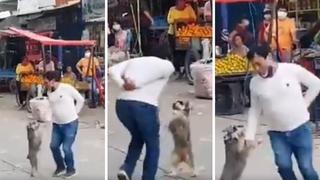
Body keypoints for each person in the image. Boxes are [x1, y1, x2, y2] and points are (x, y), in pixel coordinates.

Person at [244, 43, 320, 180]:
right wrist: (249, 135)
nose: (256, 69)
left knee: (306, 167)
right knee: (283, 165)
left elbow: (316, 84)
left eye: (258, 64)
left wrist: (305, 103)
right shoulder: (254, 83)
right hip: (276, 133)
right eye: (253, 65)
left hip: (300, 128)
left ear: (268, 57)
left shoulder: (291, 70)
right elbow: (254, 110)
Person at [108, 56, 175, 180]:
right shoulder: (166, 64)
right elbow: (162, 71)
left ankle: (126, 169)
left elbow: (111, 70)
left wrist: (122, 84)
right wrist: (137, 84)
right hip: (144, 106)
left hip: (122, 105)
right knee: (152, 144)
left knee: (138, 137)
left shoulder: (134, 61)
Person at [45, 71, 85, 178]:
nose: (45, 83)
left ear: (53, 81)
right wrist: (48, 118)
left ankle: (71, 169)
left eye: (46, 81)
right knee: (53, 146)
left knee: (66, 148)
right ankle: (60, 167)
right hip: (57, 124)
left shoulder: (67, 88)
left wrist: (75, 113)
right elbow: (51, 106)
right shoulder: (49, 92)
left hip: (70, 124)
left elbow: (80, 100)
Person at [167, 0, 196, 75]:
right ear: (177, 3)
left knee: (186, 51)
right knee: (176, 52)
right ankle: (177, 69)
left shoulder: (189, 8)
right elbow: (169, 20)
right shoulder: (172, 9)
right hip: (173, 34)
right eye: (181, 2)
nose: (183, 3)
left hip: (187, 33)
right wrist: (178, 20)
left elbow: (194, 18)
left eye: (183, 2)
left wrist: (186, 20)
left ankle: (185, 68)